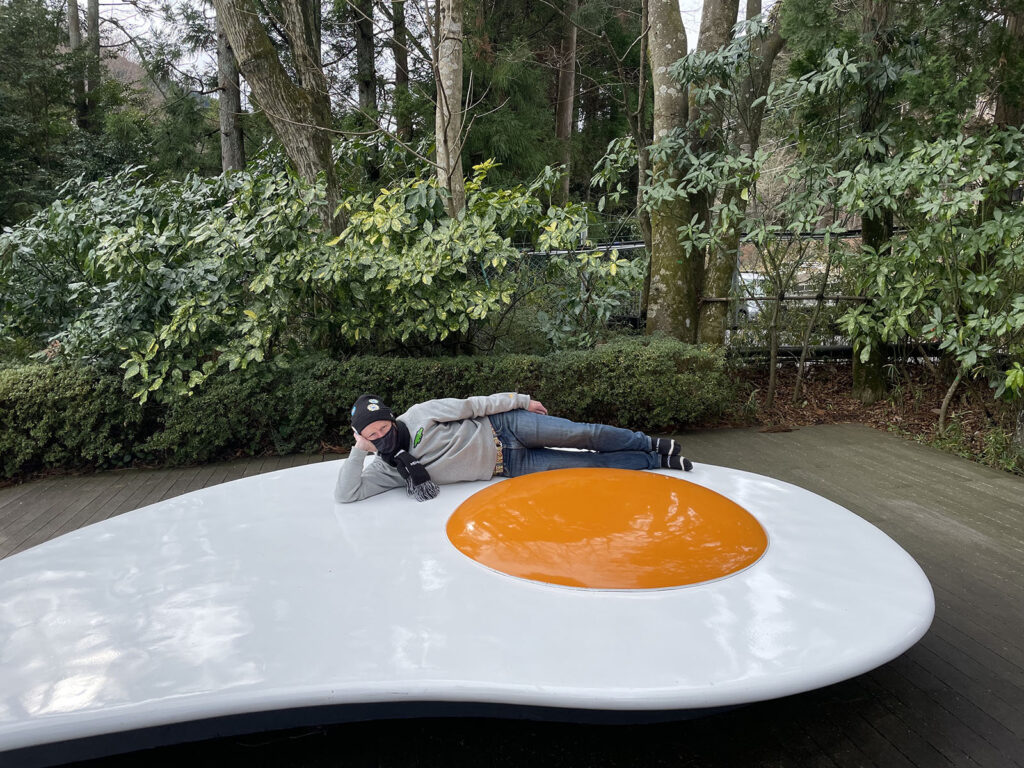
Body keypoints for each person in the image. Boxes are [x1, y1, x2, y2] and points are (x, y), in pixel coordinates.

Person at [334, 392, 693, 503]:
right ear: (362, 437)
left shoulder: (419, 415)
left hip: (504, 426)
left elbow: (473, 406)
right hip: (510, 465)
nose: (381, 436)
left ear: (391, 418)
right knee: (587, 467)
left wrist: (521, 401)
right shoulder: (388, 469)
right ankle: (652, 460)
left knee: (586, 434)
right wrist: (358, 451)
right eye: (372, 435)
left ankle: (647, 441)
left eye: (384, 427)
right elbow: (347, 494)